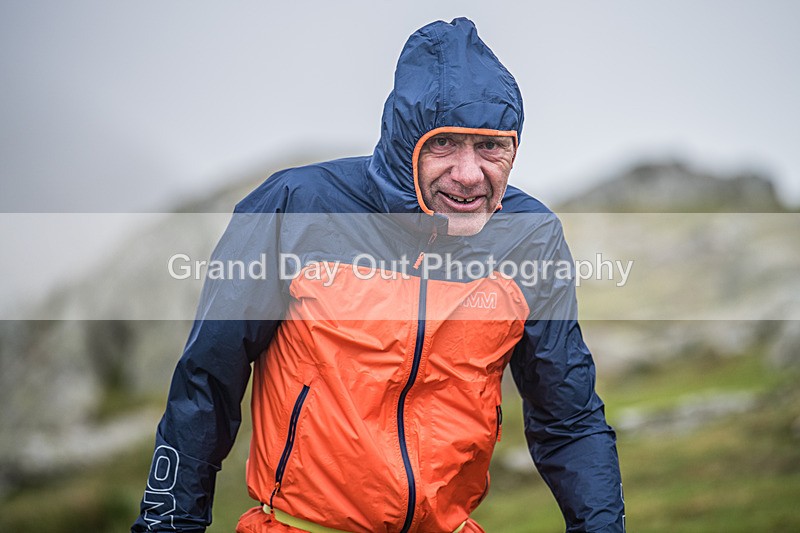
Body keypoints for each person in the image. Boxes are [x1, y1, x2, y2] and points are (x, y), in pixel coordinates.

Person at [133, 17, 625, 533]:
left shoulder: (530, 237)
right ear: (402, 140)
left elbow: (569, 420)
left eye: (490, 146)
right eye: (444, 144)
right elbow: (206, 385)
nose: (468, 173)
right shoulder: (294, 207)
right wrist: (167, 523)